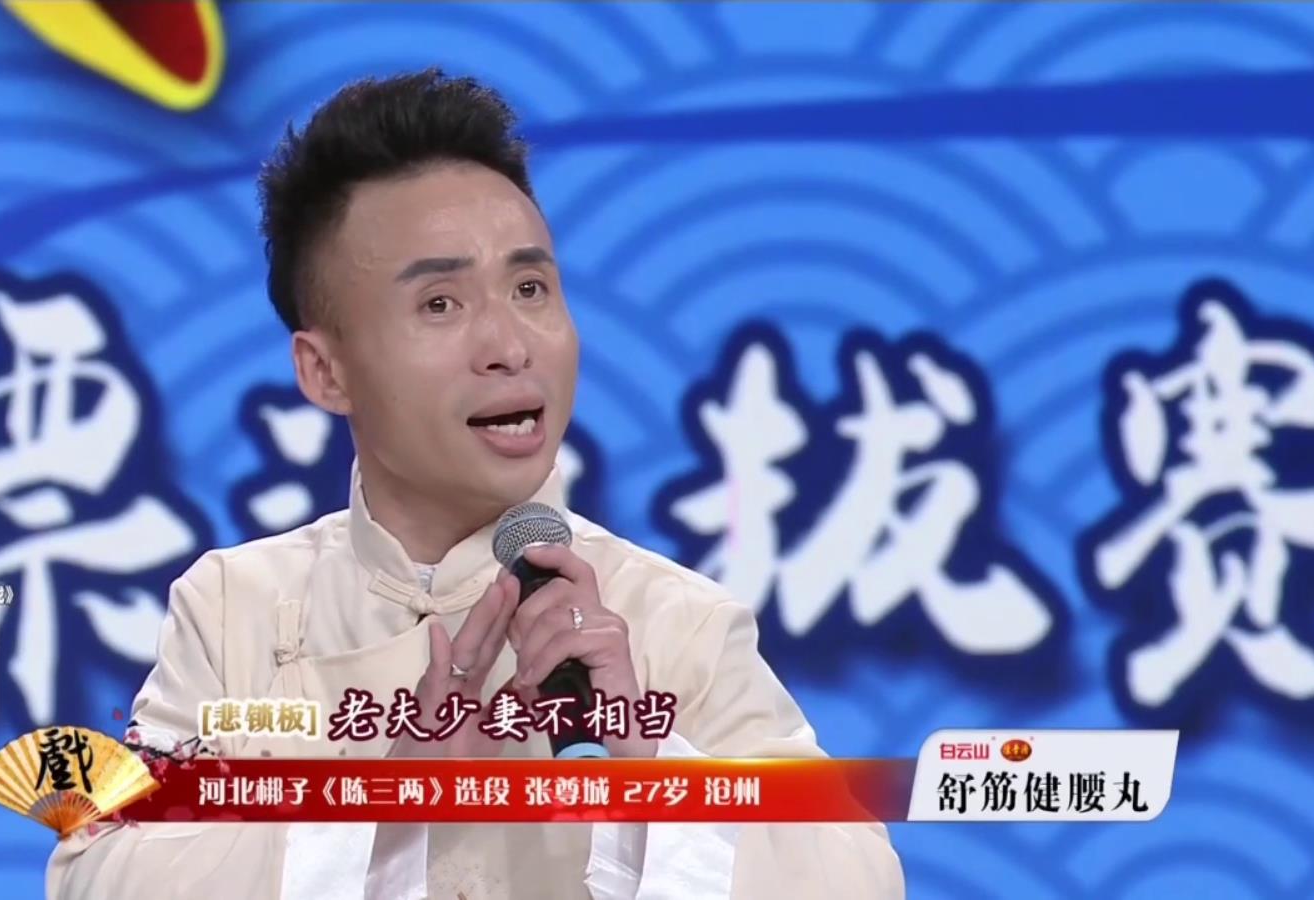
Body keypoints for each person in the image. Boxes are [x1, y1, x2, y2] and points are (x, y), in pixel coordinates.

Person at [47, 69, 904, 900]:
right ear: (325, 371)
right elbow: (98, 870)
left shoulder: (675, 622)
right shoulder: (234, 607)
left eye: (531, 287)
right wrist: (380, 808)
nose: (509, 344)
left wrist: (647, 764)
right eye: (440, 304)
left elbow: (859, 878)